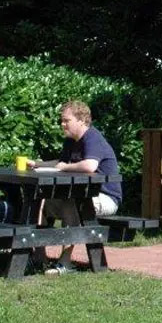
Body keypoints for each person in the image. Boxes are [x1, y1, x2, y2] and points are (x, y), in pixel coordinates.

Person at [37, 100, 121, 274]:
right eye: (62, 120)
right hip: (82, 197)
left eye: (66, 120)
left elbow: (90, 165)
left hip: (105, 198)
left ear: (82, 120)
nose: (62, 124)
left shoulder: (93, 137)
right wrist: (38, 164)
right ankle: (39, 258)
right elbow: (61, 163)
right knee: (41, 203)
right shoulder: (70, 140)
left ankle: (65, 262)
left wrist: (64, 167)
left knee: (70, 201)